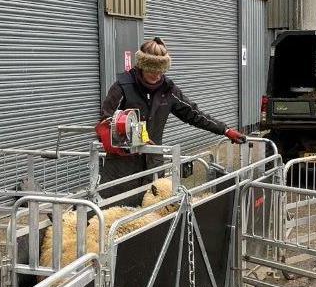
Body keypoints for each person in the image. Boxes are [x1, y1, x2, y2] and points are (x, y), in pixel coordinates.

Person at [98, 37, 246, 206]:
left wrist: (225, 130)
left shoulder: (167, 90)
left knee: (151, 217)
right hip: (121, 171)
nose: (157, 75)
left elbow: (194, 114)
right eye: (151, 69)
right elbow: (105, 123)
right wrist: (132, 138)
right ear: (141, 65)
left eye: (161, 69)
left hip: (153, 168)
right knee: (115, 218)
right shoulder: (123, 87)